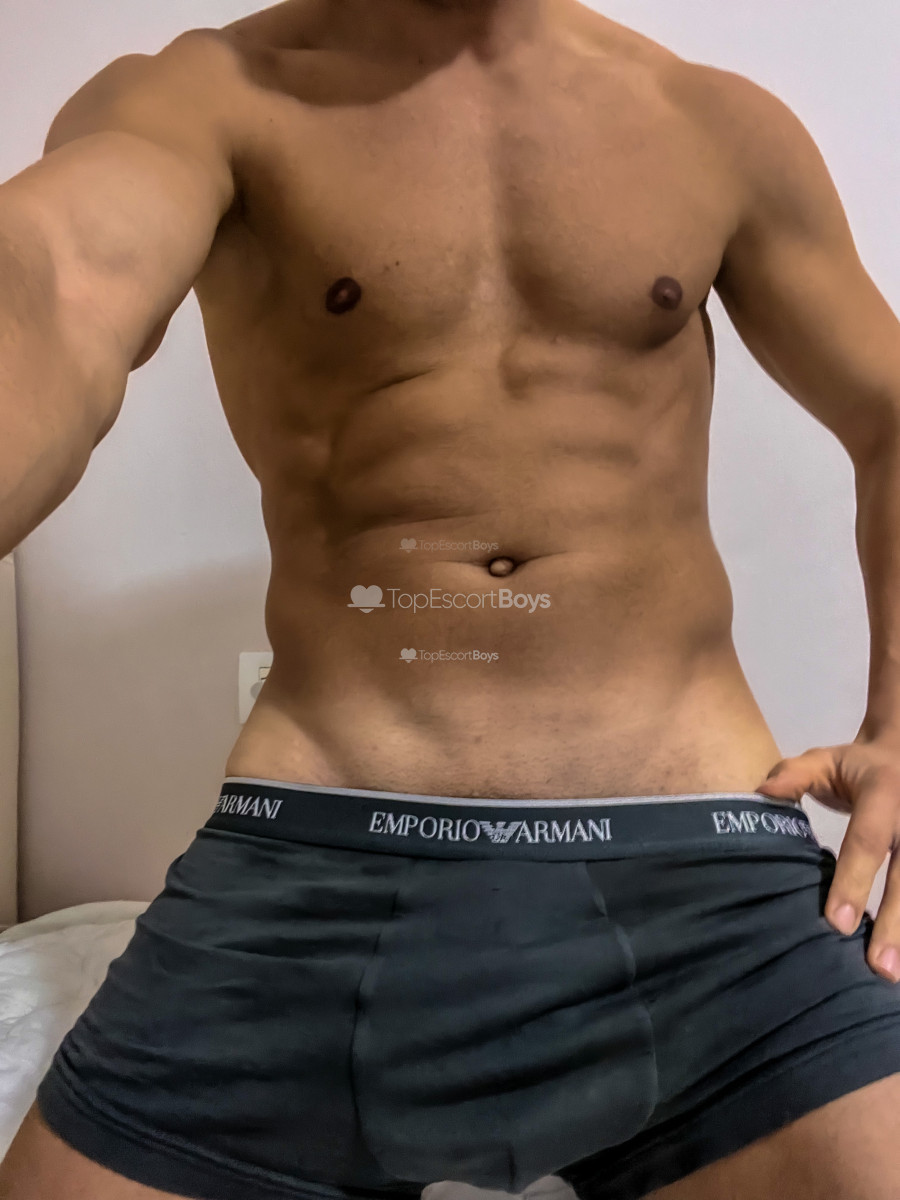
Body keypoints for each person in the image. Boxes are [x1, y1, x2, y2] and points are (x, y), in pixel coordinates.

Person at [1, 0, 899, 1197]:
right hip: (308, 872)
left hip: (704, 876)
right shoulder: (204, 97)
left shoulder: (715, 122)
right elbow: (51, 289)